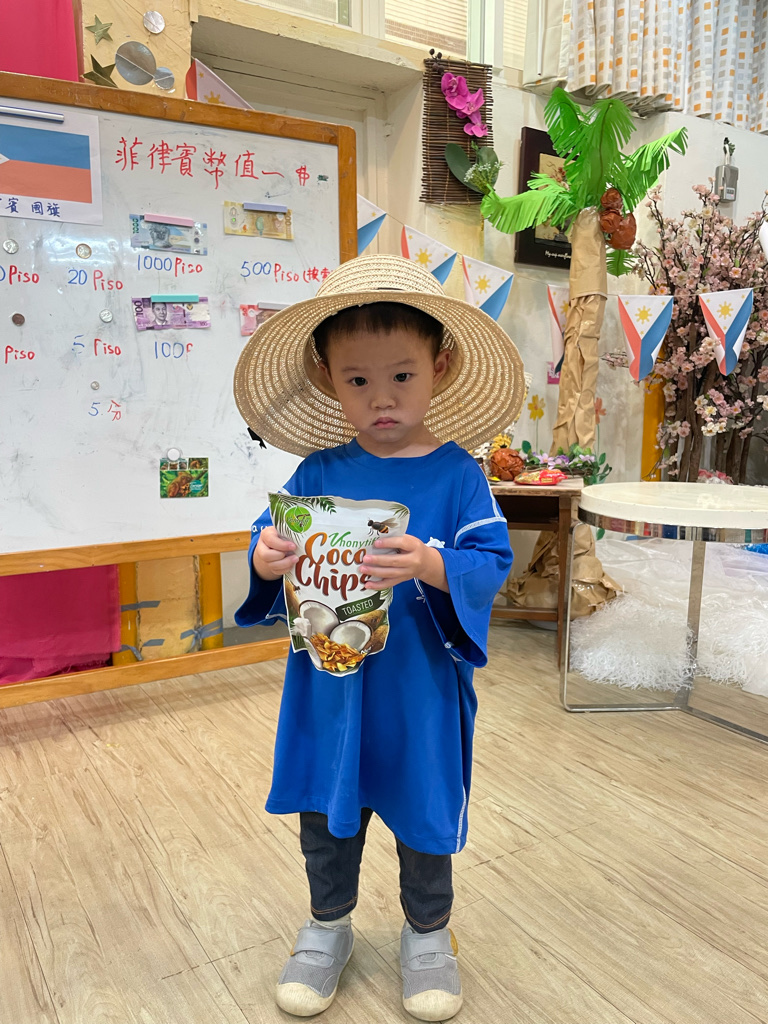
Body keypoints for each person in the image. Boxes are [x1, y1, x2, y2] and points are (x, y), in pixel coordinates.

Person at [233, 254, 523, 1021]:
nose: (382, 397)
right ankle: (327, 924)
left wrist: (430, 562)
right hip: (329, 687)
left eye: (402, 375)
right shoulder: (317, 470)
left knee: (423, 808)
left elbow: (492, 560)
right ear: (328, 378)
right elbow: (271, 536)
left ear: (440, 367)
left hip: (419, 691)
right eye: (358, 379)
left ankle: (427, 934)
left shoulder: (459, 476)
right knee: (326, 806)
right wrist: (267, 555)